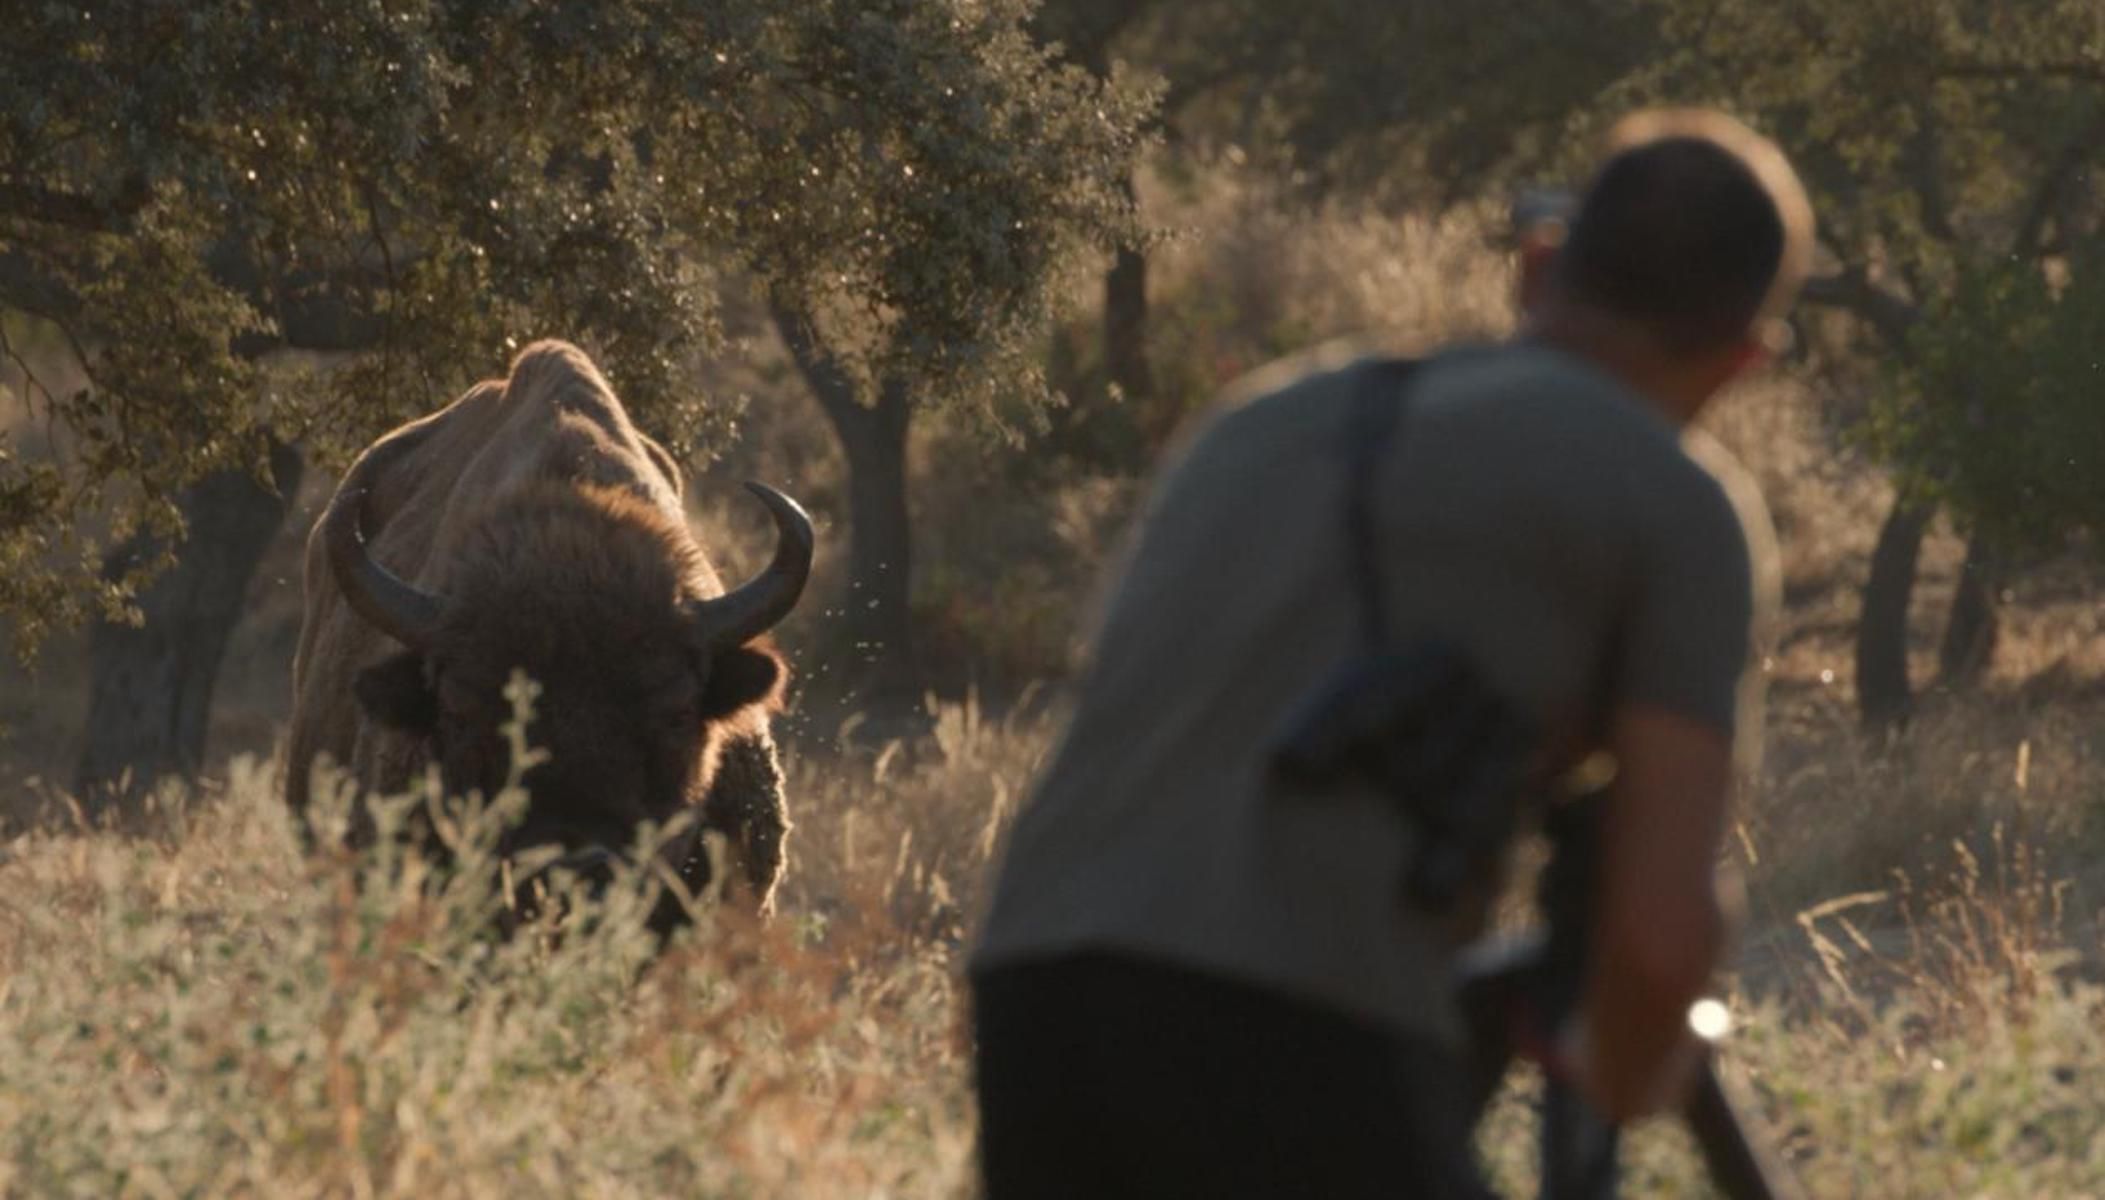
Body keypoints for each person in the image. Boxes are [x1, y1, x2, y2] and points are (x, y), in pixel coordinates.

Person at [967, 107, 1808, 1198]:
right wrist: (1627, 1074)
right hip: (1293, 1019)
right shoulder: (1678, 503)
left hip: (1033, 993)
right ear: (1741, 360)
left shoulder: (1263, 418)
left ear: (1538, 264)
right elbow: (1655, 941)